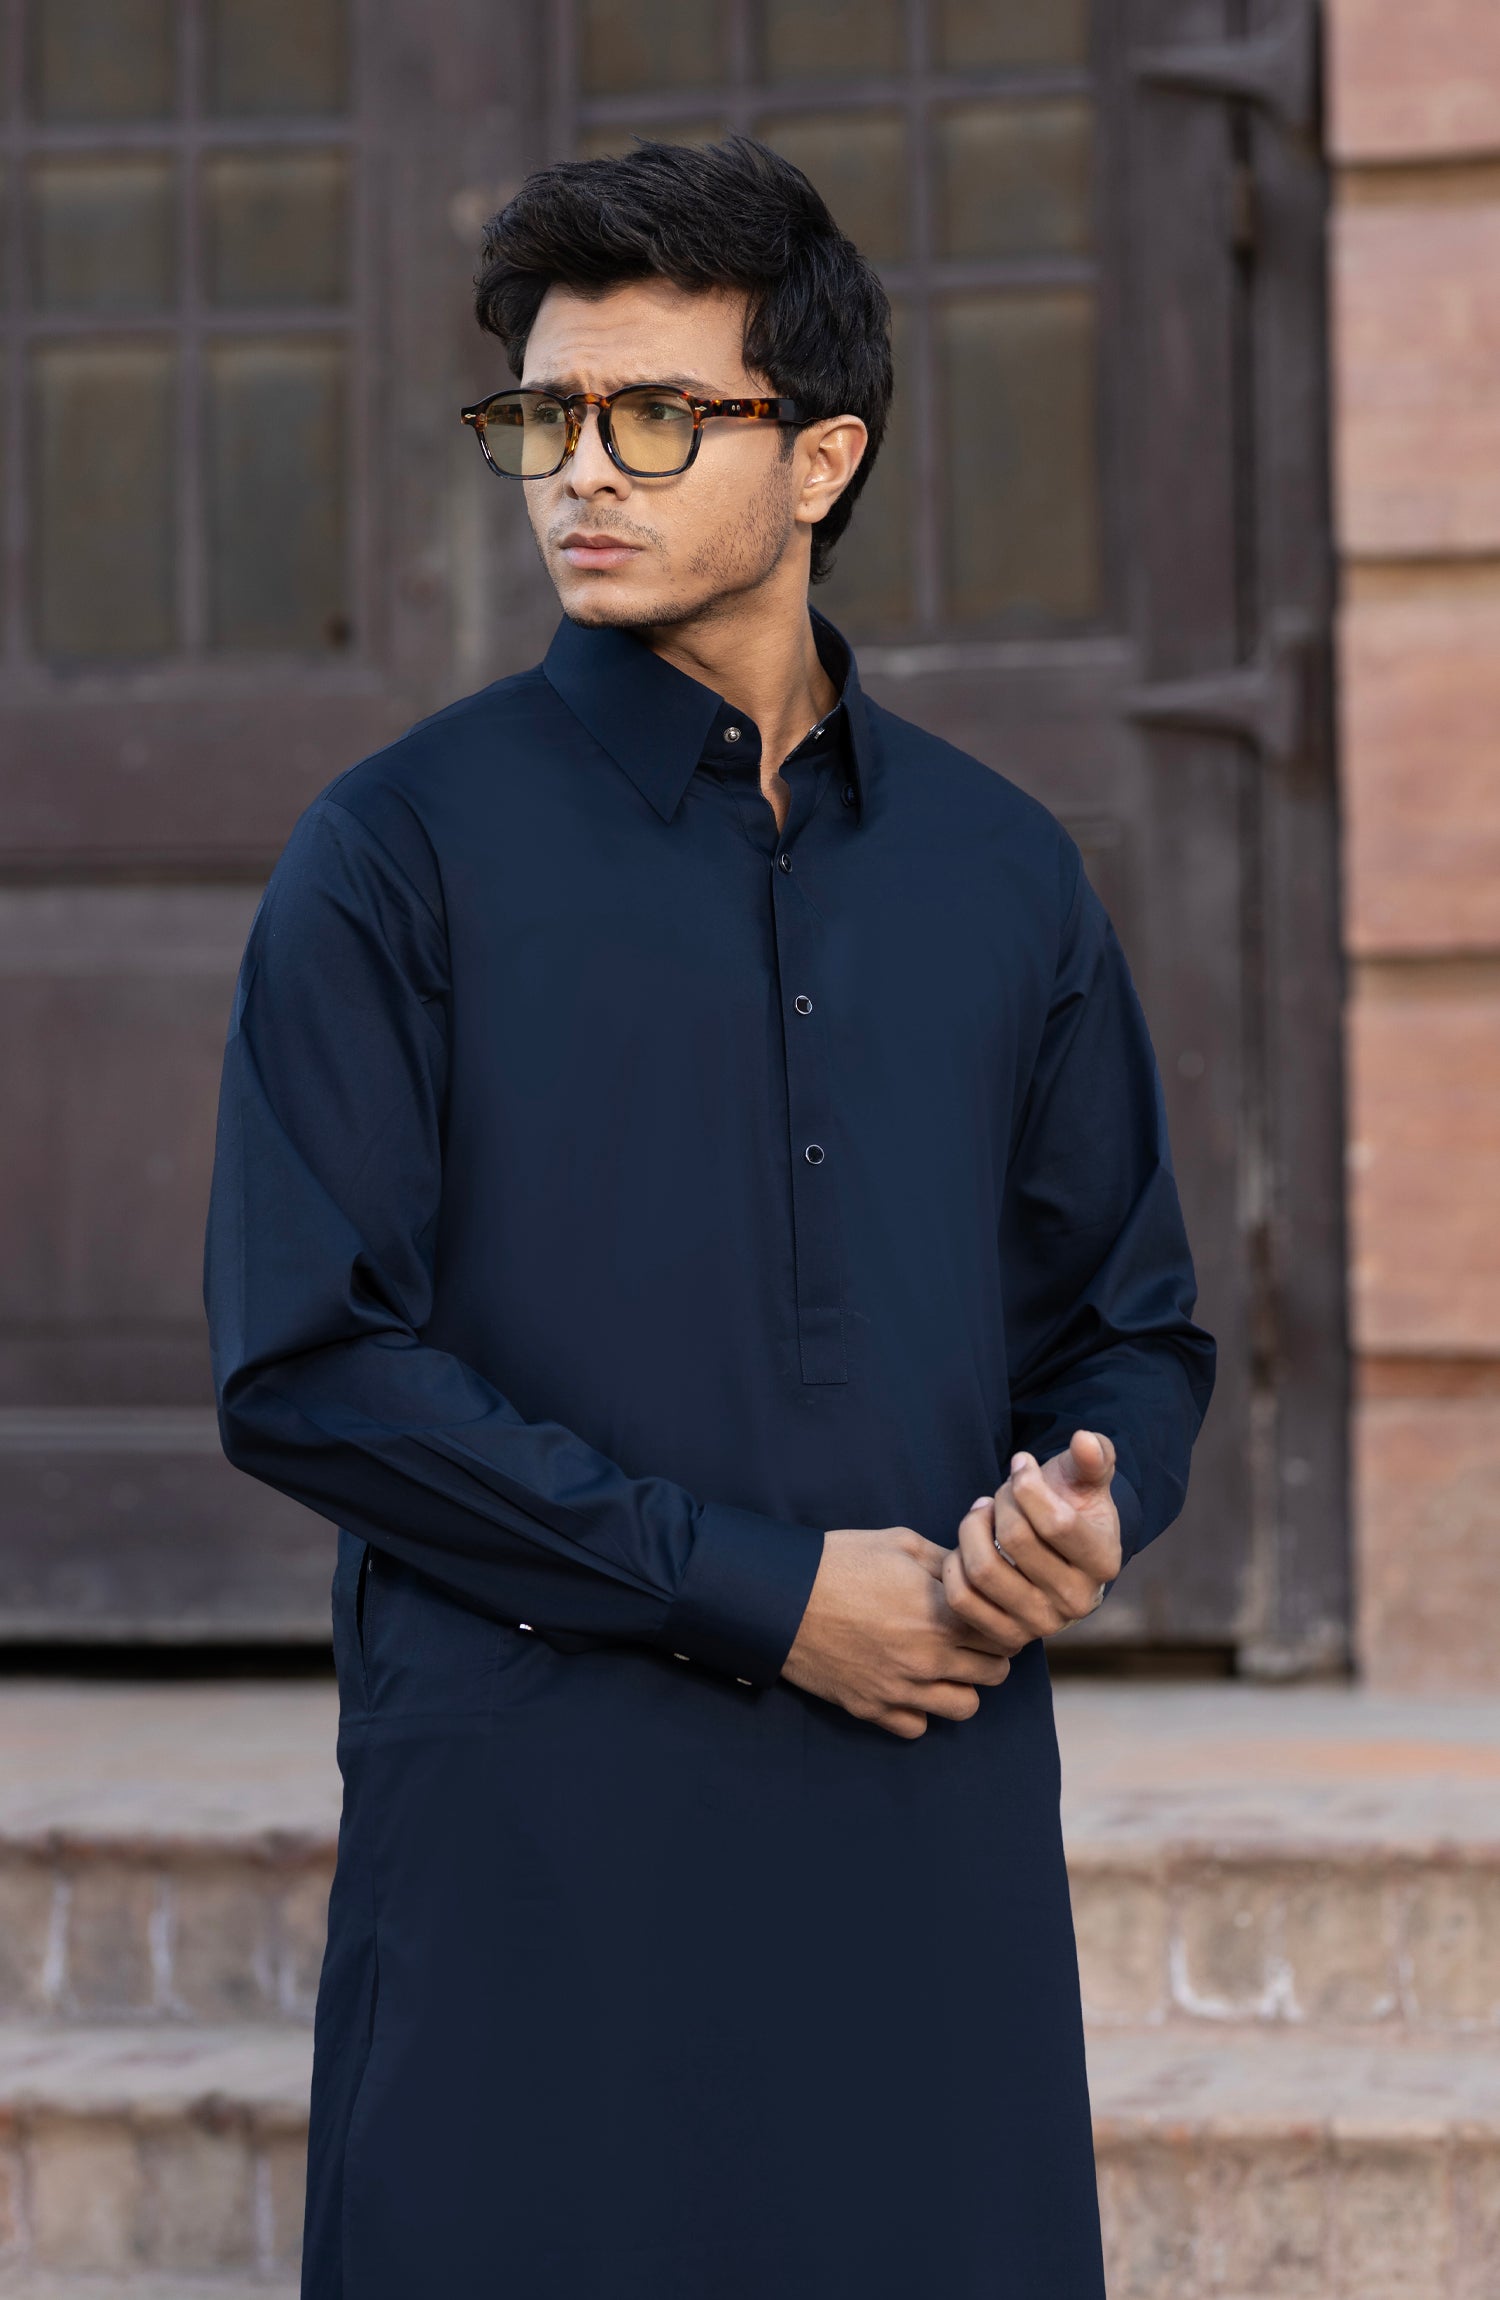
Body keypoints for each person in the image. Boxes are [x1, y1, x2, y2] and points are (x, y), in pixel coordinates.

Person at [205, 134, 1214, 2300]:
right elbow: (306, 1364)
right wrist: (764, 1593)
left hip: (924, 1819)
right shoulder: (395, 852)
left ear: (822, 455)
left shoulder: (999, 871)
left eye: (656, 414)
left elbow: (1130, 1324)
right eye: (544, 415)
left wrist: (1086, 1506)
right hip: (535, 1841)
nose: (582, 470)